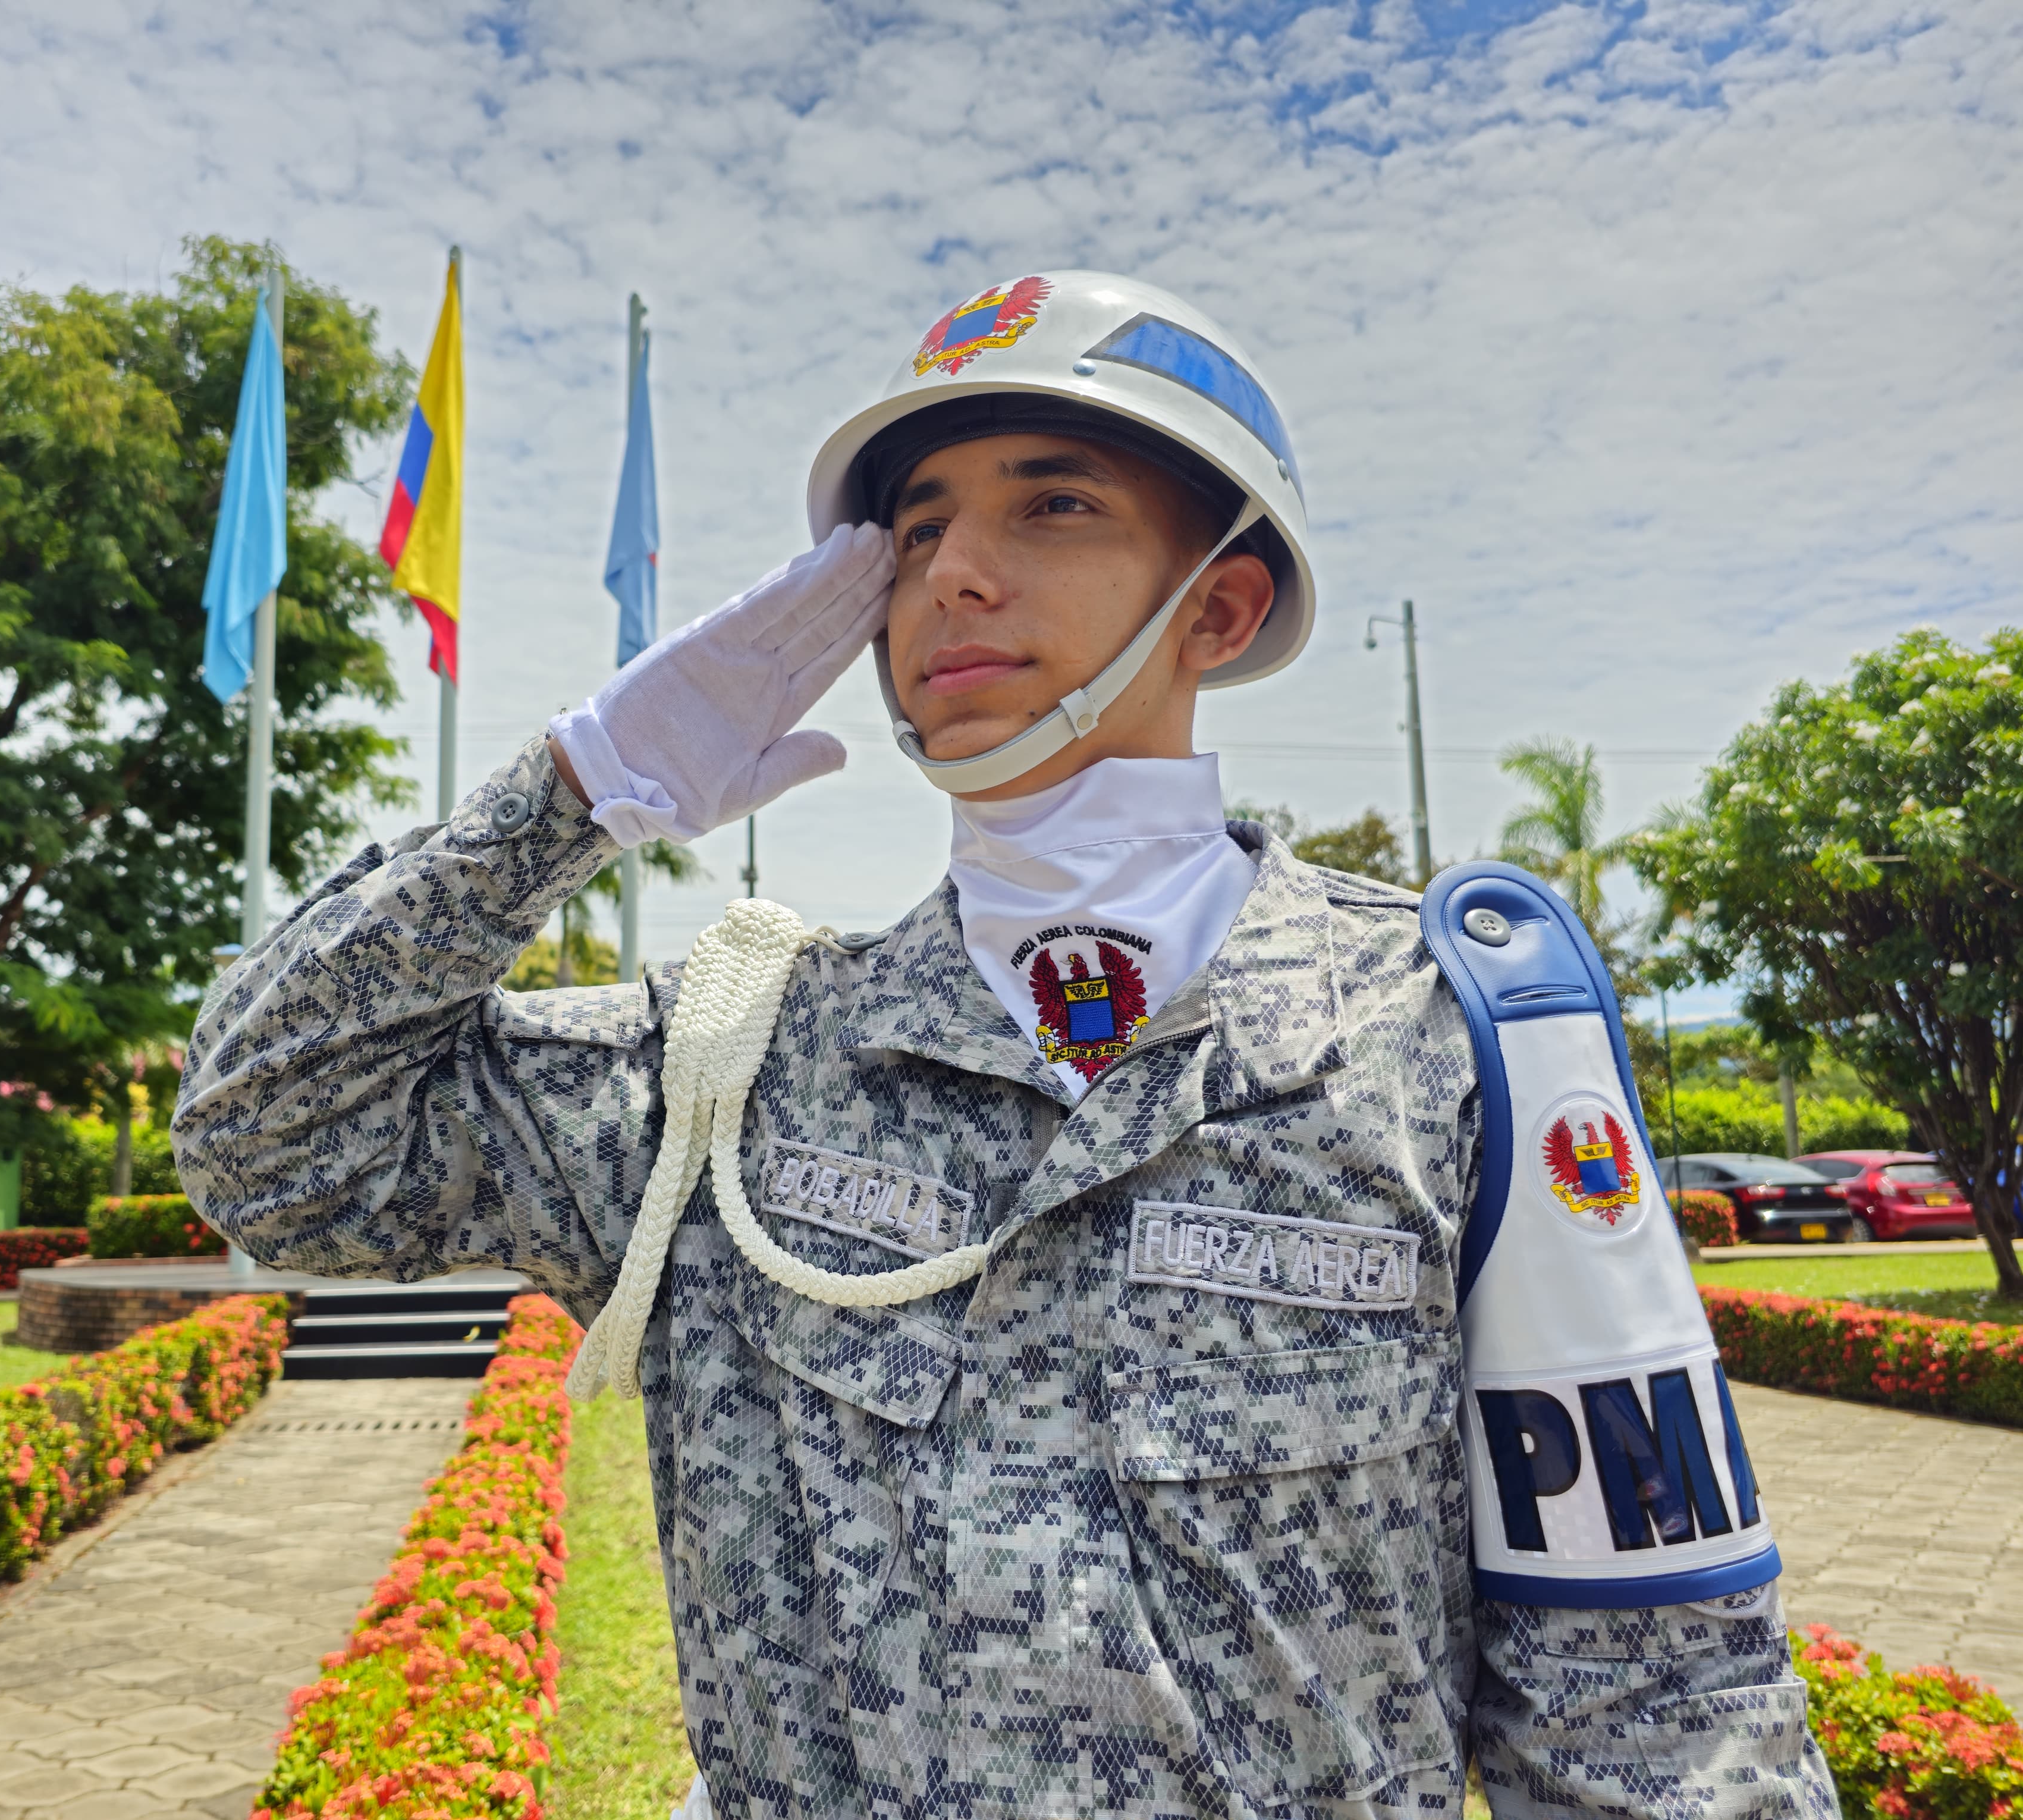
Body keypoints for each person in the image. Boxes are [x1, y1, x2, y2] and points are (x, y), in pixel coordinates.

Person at [174, 271, 1834, 1818]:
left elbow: (1655, 1696)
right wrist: (583, 787)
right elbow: (270, 1140)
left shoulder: (1439, 1041)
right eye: (916, 527)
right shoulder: (737, 1056)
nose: (954, 572)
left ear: (1224, 600)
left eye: (1054, 503)